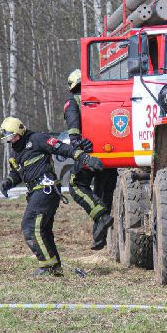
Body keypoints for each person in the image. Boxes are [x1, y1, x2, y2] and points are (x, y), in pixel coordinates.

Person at [0, 116, 103, 277]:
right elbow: (17, 174)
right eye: (8, 139)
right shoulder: (16, 152)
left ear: (19, 131)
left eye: (12, 136)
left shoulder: (37, 139)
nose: (11, 141)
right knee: (43, 230)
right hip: (35, 192)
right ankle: (54, 266)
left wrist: (85, 157)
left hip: (45, 189)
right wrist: (8, 182)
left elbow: (62, 148)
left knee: (30, 227)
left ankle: (47, 267)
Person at [65, 70, 117, 251]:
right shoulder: (105, 97)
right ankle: (99, 236)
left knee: (76, 185)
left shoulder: (72, 103)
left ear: (72, 87)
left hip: (89, 154)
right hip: (111, 154)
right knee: (103, 193)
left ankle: (101, 218)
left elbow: (73, 130)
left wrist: (77, 145)